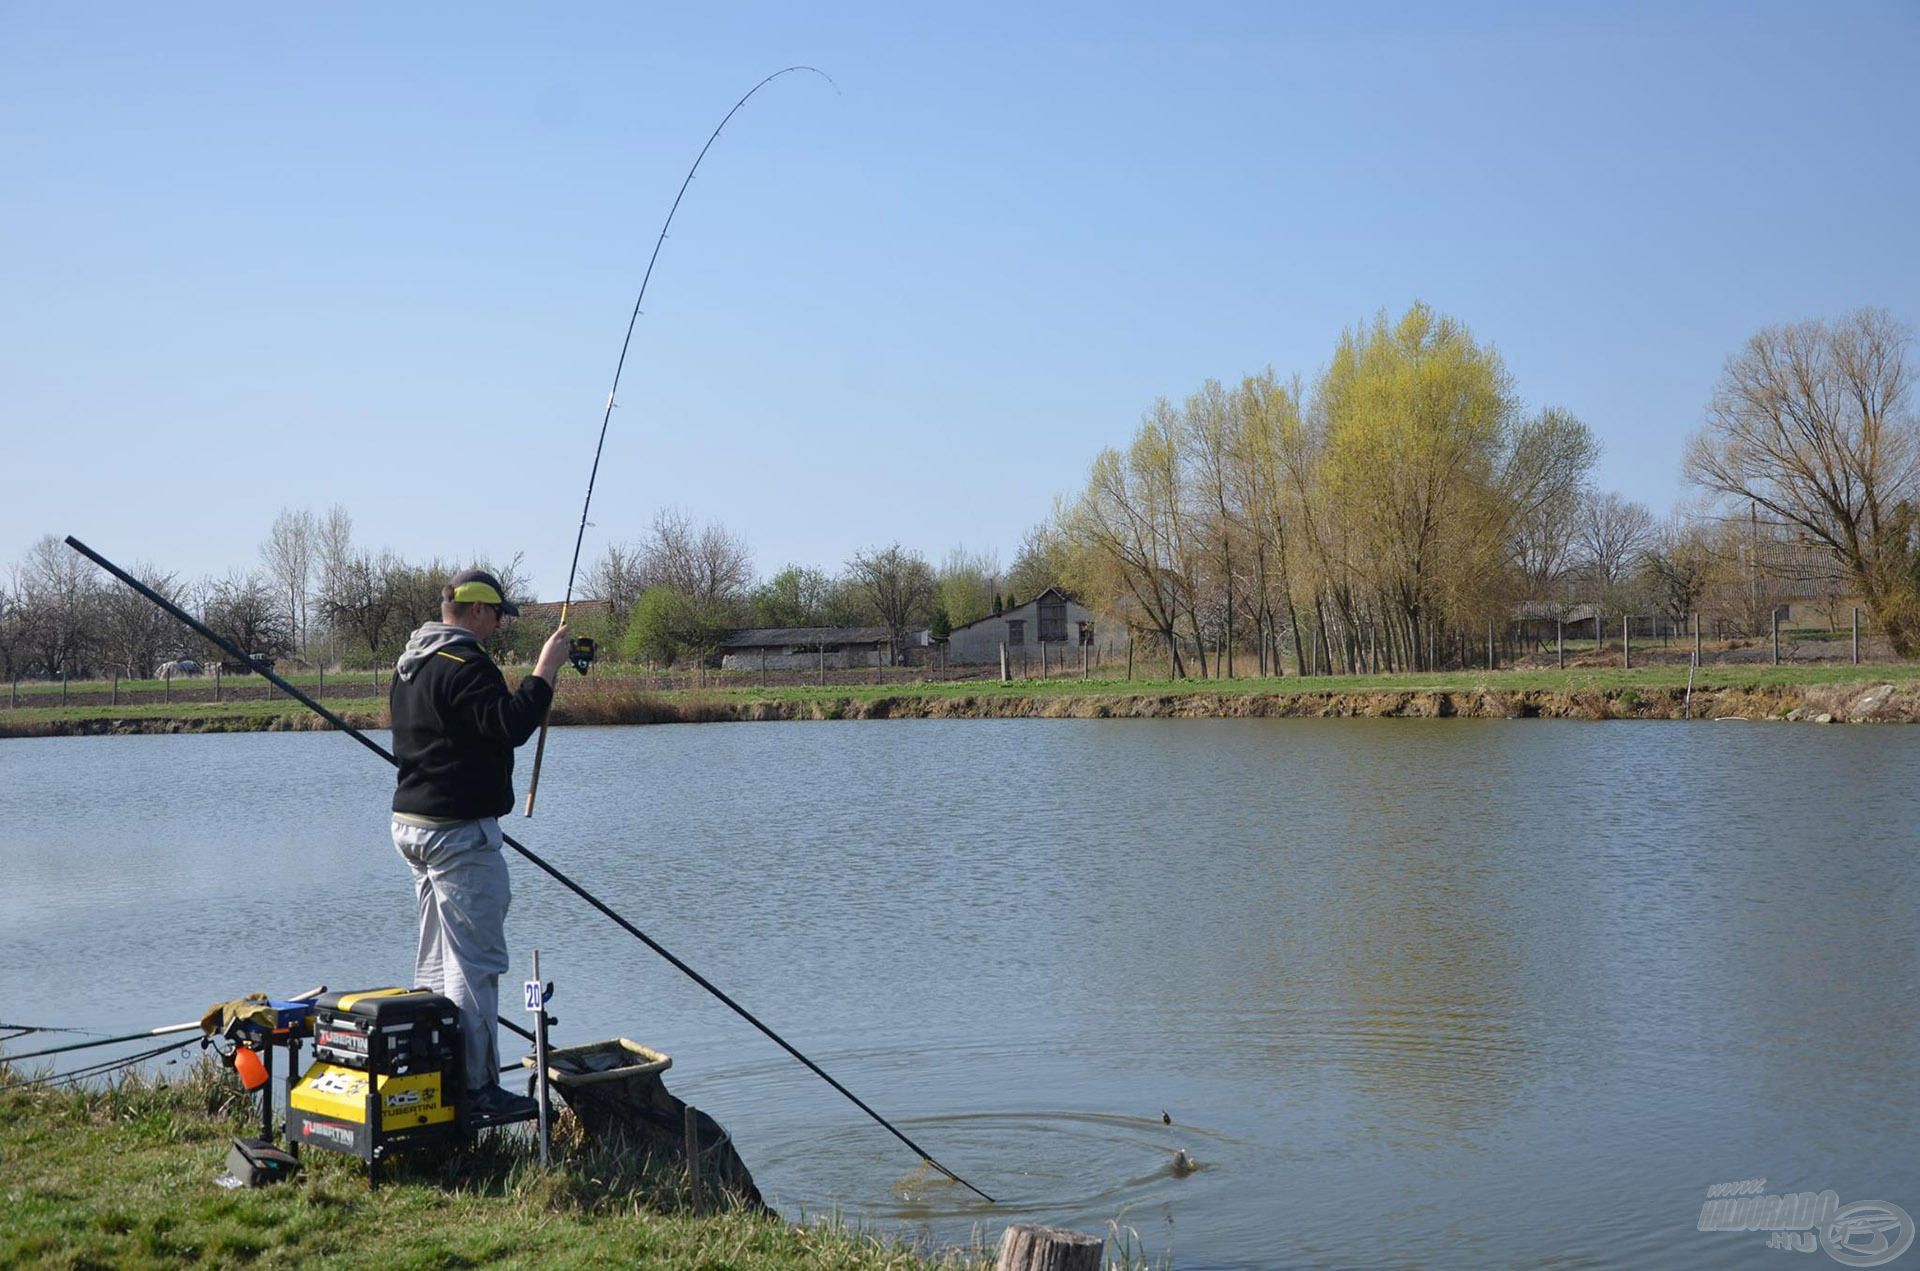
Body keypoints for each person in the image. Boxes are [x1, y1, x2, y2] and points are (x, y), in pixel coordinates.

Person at [389, 567, 569, 1121]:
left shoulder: (410, 665)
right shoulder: (466, 664)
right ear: (475, 611)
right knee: (475, 965)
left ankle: (432, 1076)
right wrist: (546, 669)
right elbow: (510, 724)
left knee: (436, 961)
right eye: (496, 614)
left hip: (412, 826)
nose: (497, 626)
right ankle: (476, 1088)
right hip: (458, 835)